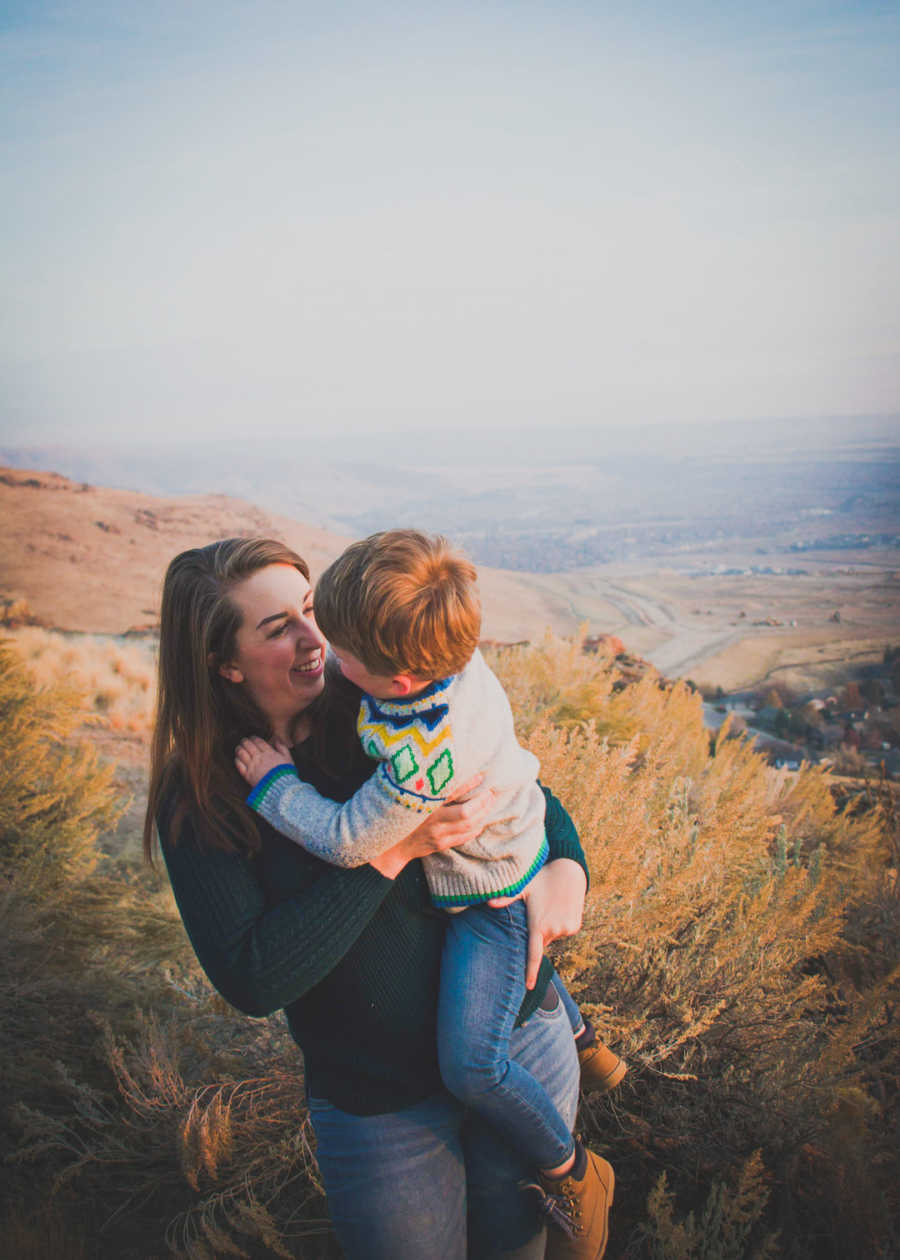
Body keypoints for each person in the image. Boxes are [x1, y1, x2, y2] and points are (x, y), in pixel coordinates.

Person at [143, 537, 610, 1260]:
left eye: (310, 609)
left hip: (518, 1039)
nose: (314, 640)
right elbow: (253, 974)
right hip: (381, 1107)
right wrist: (394, 853)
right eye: (279, 629)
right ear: (223, 662)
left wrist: (569, 870)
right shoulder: (203, 794)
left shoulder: (378, 695)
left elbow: (520, 792)